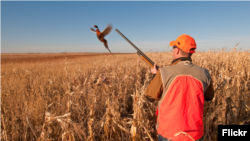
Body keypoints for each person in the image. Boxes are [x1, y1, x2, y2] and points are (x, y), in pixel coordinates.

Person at [145, 34, 214, 141]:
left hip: (168, 134)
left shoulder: (163, 72)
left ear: (177, 50)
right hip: (194, 135)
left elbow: (150, 97)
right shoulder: (204, 73)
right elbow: (209, 97)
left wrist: (155, 75)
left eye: (173, 48)